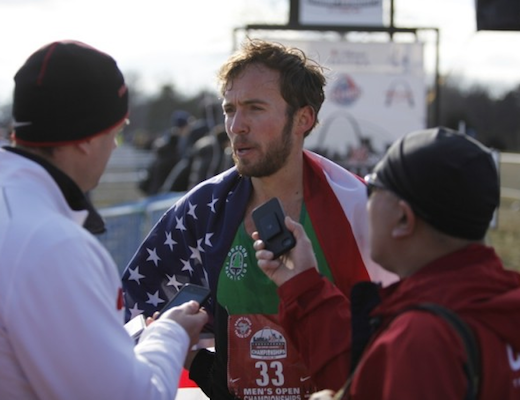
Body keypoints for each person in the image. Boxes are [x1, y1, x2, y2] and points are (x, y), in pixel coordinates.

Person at [121, 38, 396, 398]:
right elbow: (132, 309)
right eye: (229, 109)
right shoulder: (203, 209)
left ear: (303, 118)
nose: (236, 126)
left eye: (254, 108)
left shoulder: (357, 206)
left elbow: (401, 332)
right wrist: (203, 367)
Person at [0, 40, 208, 400]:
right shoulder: (54, 244)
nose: (114, 146)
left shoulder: (23, 213)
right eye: (116, 131)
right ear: (87, 138)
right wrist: (170, 332)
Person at [255, 127, 520, 399]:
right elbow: (364, 369)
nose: (365, 201)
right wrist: (304, 286)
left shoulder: (421, 340)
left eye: (372, 189)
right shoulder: (496, 307)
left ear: (403, 219)